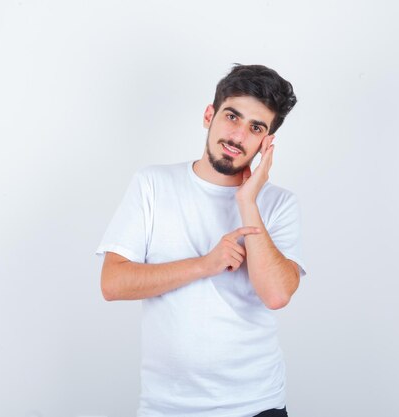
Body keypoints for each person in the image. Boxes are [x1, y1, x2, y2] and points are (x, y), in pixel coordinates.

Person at [96, 64, 307, 417]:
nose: (238, 136)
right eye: (232, 116)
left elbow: (277, 294)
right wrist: (204, 265)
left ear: (266, 142)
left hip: (256, 406)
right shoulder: (152, 184)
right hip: (167, 408)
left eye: (256, 127)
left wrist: (246, 201)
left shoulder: (279, 204)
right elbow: (112, 283)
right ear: (209, 115)